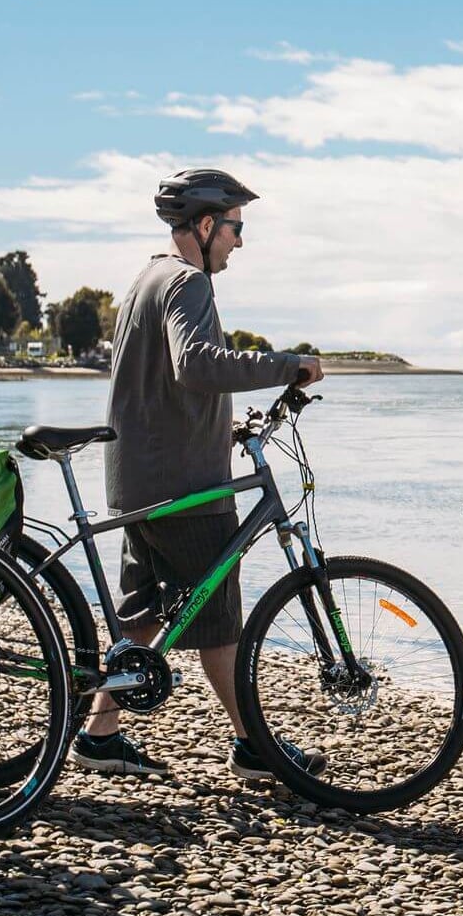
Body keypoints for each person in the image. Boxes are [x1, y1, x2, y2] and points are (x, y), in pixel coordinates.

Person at [73, 167, 325, 782]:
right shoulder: (187, 282)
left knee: (144, 616)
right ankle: (253, 744)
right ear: (207, 224)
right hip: (185, 489)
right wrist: (288, 364)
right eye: (236, 227)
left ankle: (98, 733)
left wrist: (222, 425)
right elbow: (196, 364)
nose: (240, 241)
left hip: (137, 478)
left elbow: (161, 382)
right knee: (219, 622)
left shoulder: (143, 281)